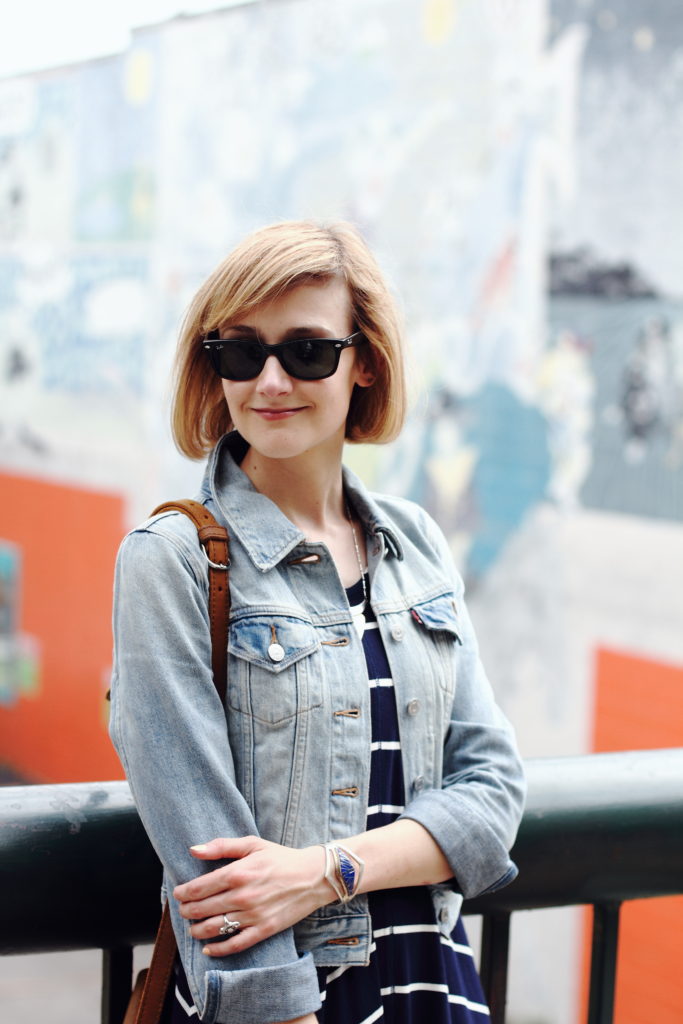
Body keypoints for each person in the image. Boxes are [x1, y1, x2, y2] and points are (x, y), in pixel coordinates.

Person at [109, 220, 526, 1024]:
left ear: (364, 359)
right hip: (284, 1002)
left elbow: (492, 788)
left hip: (432, 979)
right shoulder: (171, 560)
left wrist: (326, 870)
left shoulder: (414, 543)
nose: (268, 382)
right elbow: (212, 868)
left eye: (305, 351)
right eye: (239, 351)